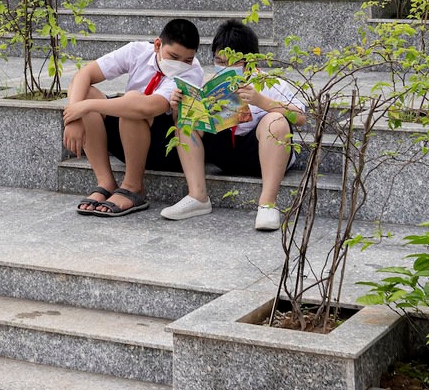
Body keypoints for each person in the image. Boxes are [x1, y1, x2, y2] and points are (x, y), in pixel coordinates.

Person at [159, 19, 305, 232]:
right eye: (219, 61)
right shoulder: (208, 83)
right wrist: (179, 106)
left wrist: (261, 101)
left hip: (260, 152)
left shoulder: (271, 83)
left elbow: (300, 117)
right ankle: (197, 196)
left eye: (233, 62)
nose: (225, 67)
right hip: (224, 150)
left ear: (251, 62)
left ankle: (267, 204)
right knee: (187, 122)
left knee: (276, 120)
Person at [62, 18, 204, 218]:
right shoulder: (137, 51)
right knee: (88, 92)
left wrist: (84, 107)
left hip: (163, 147)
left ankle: (133, 186)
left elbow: (150, 106)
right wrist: (73, 117)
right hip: (127, 138)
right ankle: (105, 182)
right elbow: (84, 74)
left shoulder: (192, 72)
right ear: (157, 45)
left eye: (187, 60)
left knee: (133, 102)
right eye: (173, 56)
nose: (180, 64)